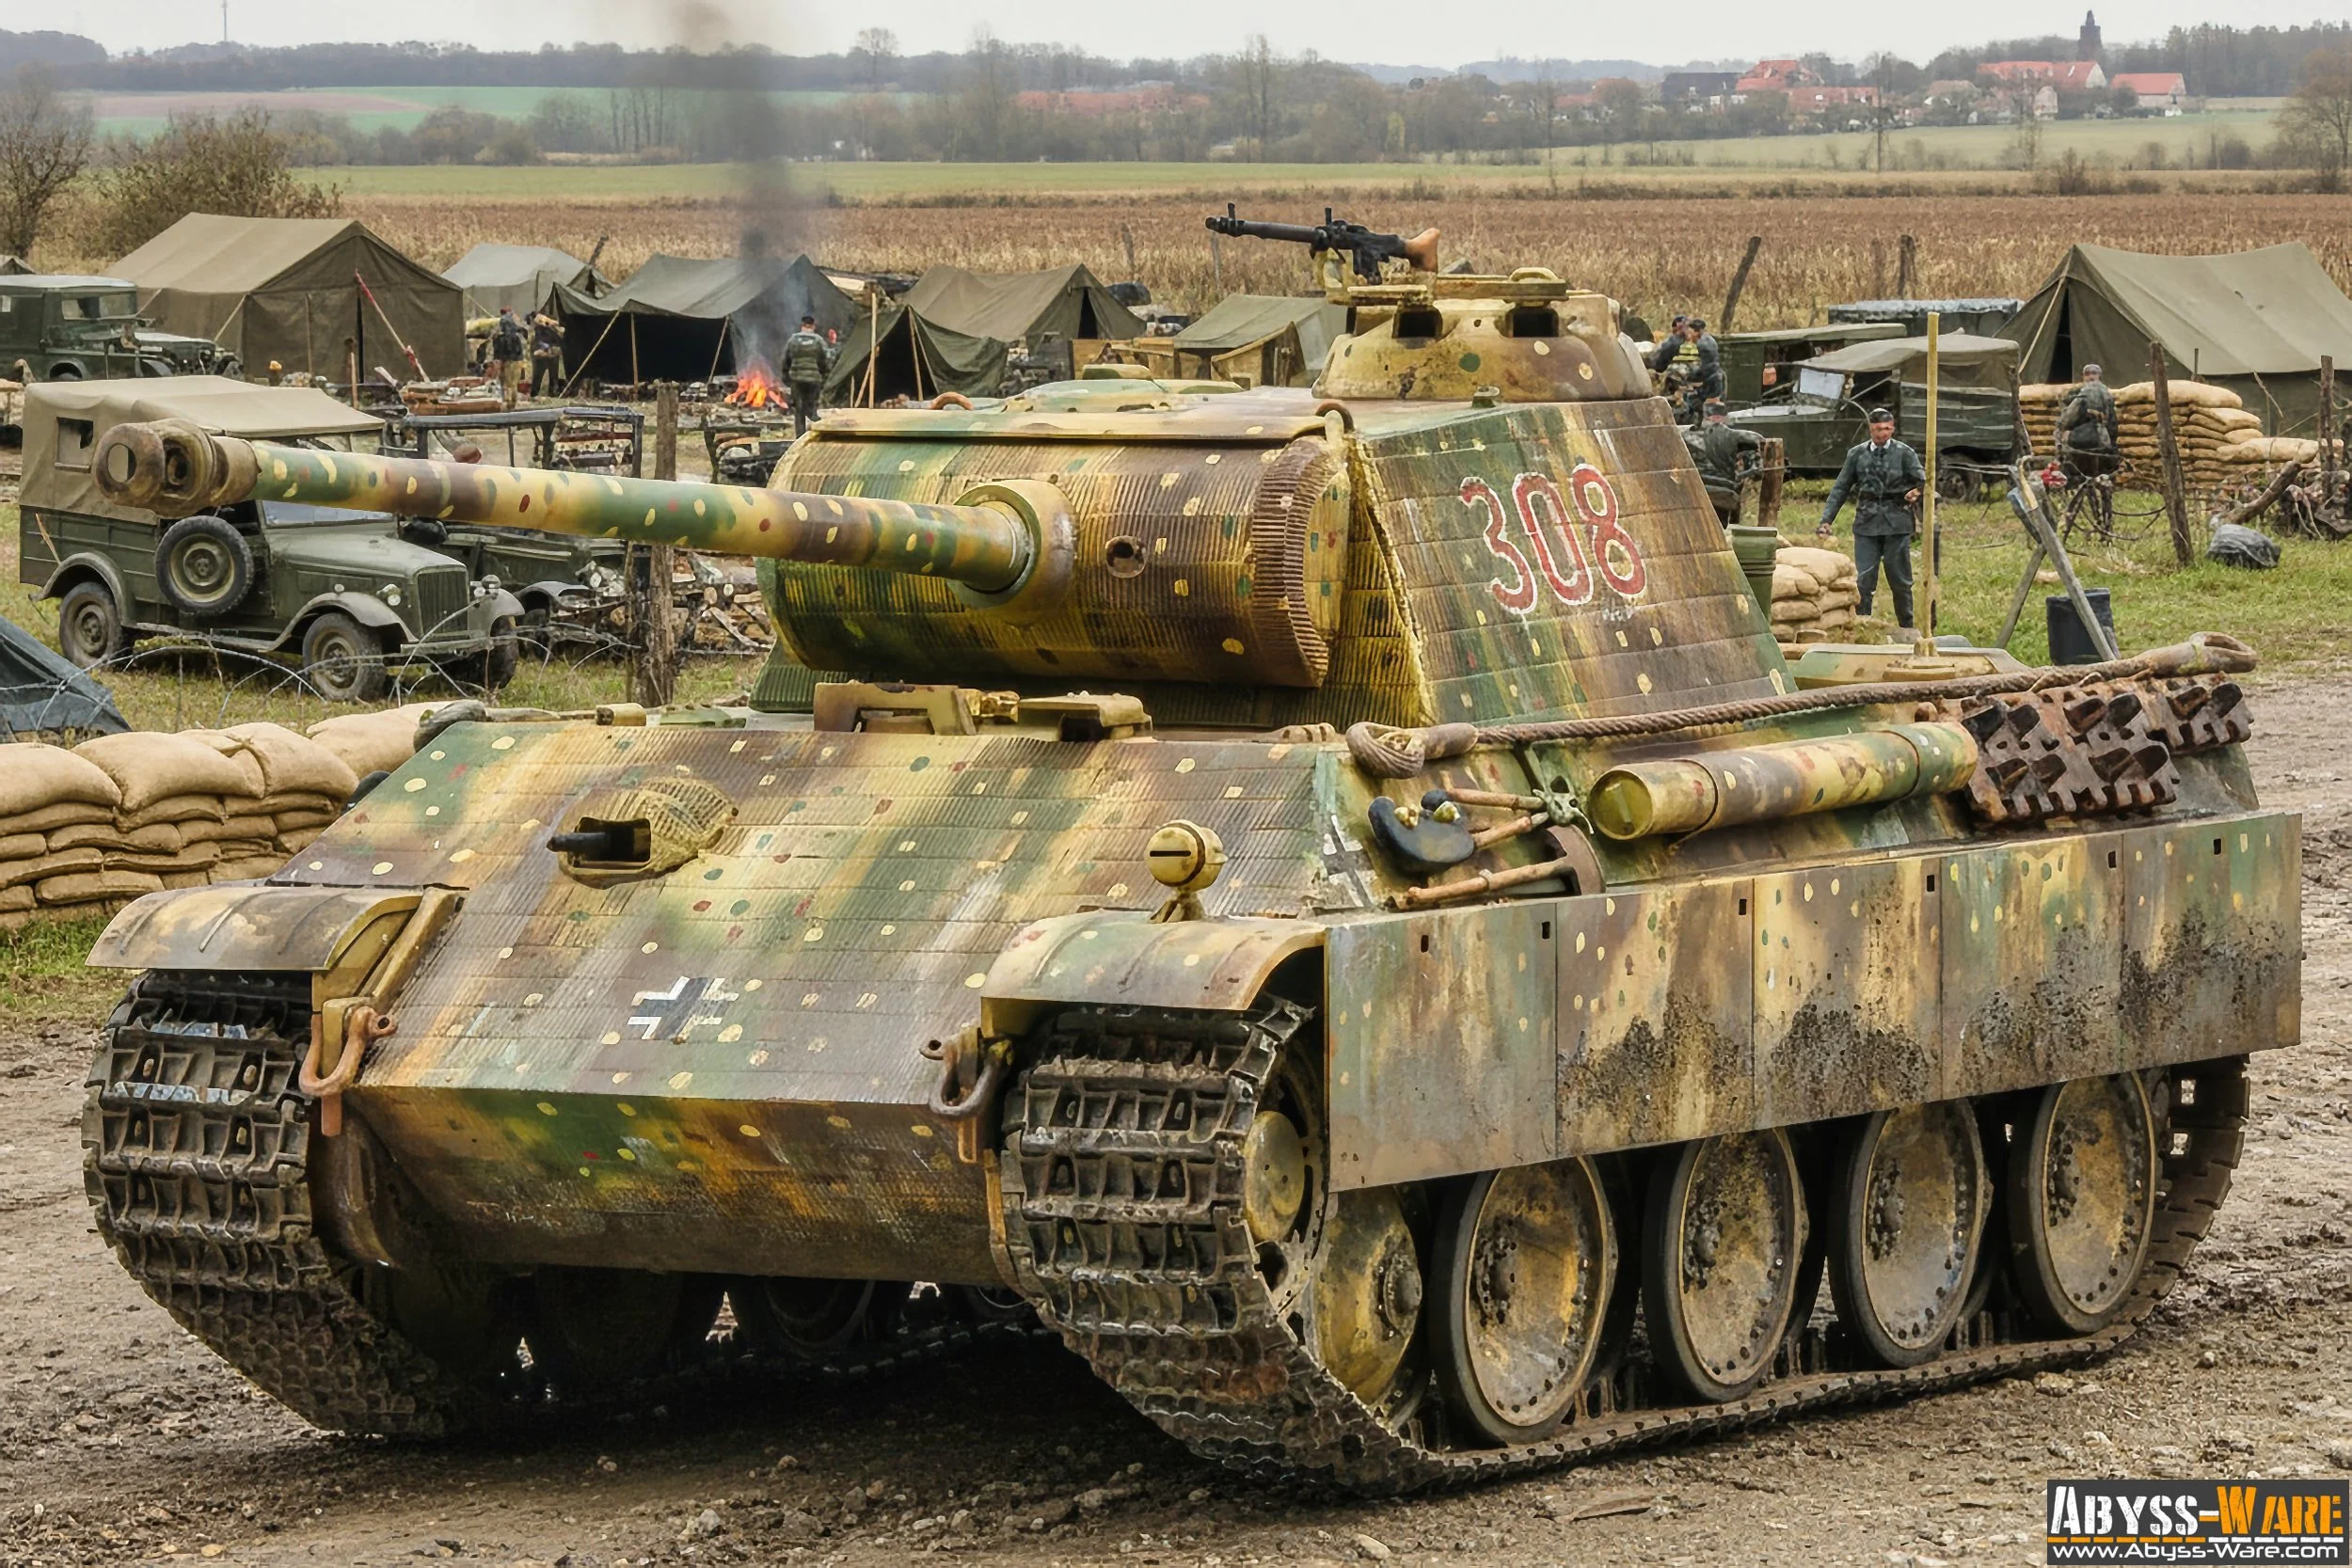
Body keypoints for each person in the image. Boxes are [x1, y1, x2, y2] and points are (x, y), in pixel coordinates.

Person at [1817, 406, 1926, 628]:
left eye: (1886, 429)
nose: (1882, 434)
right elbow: (1841, 488)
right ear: (1870, 429)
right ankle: (1862, 624)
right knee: (1863, 580)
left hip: (1897, 521)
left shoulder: (1905, 453)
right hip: (1867, 522)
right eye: (1877, 429)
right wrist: (1826, 519)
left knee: (1900, 580)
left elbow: (1923, 480)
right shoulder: (1857, 454)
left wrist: (1917, 492)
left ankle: (1907, 626)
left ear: (1892, 428)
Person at [1689, 400, 1765, 526]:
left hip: (1693, 492)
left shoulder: (1687, 435)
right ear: (1721, 417)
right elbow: (1758, 438)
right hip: (1723, 494)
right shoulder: (1733, 435)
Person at [2054, 362, 2120, 483]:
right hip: (2104, 439)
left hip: (2084, 439)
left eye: (2094, 373)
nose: (2091, 377)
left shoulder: (2084, 393)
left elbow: (2068, 417)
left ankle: (2066, 474)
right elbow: (2113, 423)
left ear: (2099, 375)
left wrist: (2061, 427)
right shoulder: (2108, 394)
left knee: (2060, 435)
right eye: (2087, 374)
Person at [781, 313, 834, 438]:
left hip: (796, 379)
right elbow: (826, 360)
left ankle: (800, 437)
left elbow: (785, 360)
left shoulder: (793, 340)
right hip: (813, 379)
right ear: (813, 326)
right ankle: (817, 435)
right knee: (812, 407)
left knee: (799, 410)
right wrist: (823, 375)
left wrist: (786, 377)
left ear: (802, 325)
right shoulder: (818, 341)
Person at [490, 307, 527, 408]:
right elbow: (520, 352)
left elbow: (498, 353)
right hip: (516, 362)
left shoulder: (499, 337)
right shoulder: (516, 336)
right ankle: (512, 404)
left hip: (506, 362)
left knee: (506, 385)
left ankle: (508, 404)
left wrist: (497, 362)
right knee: (513, 384)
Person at [530, 313, 564, 400]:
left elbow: (559, 340)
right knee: (538, 376)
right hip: (541, 357)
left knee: (553, 376)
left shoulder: (552, 330)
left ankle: (553, 392)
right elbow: (537, 344)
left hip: (551, 356)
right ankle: (534, 393)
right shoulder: (538, 331)